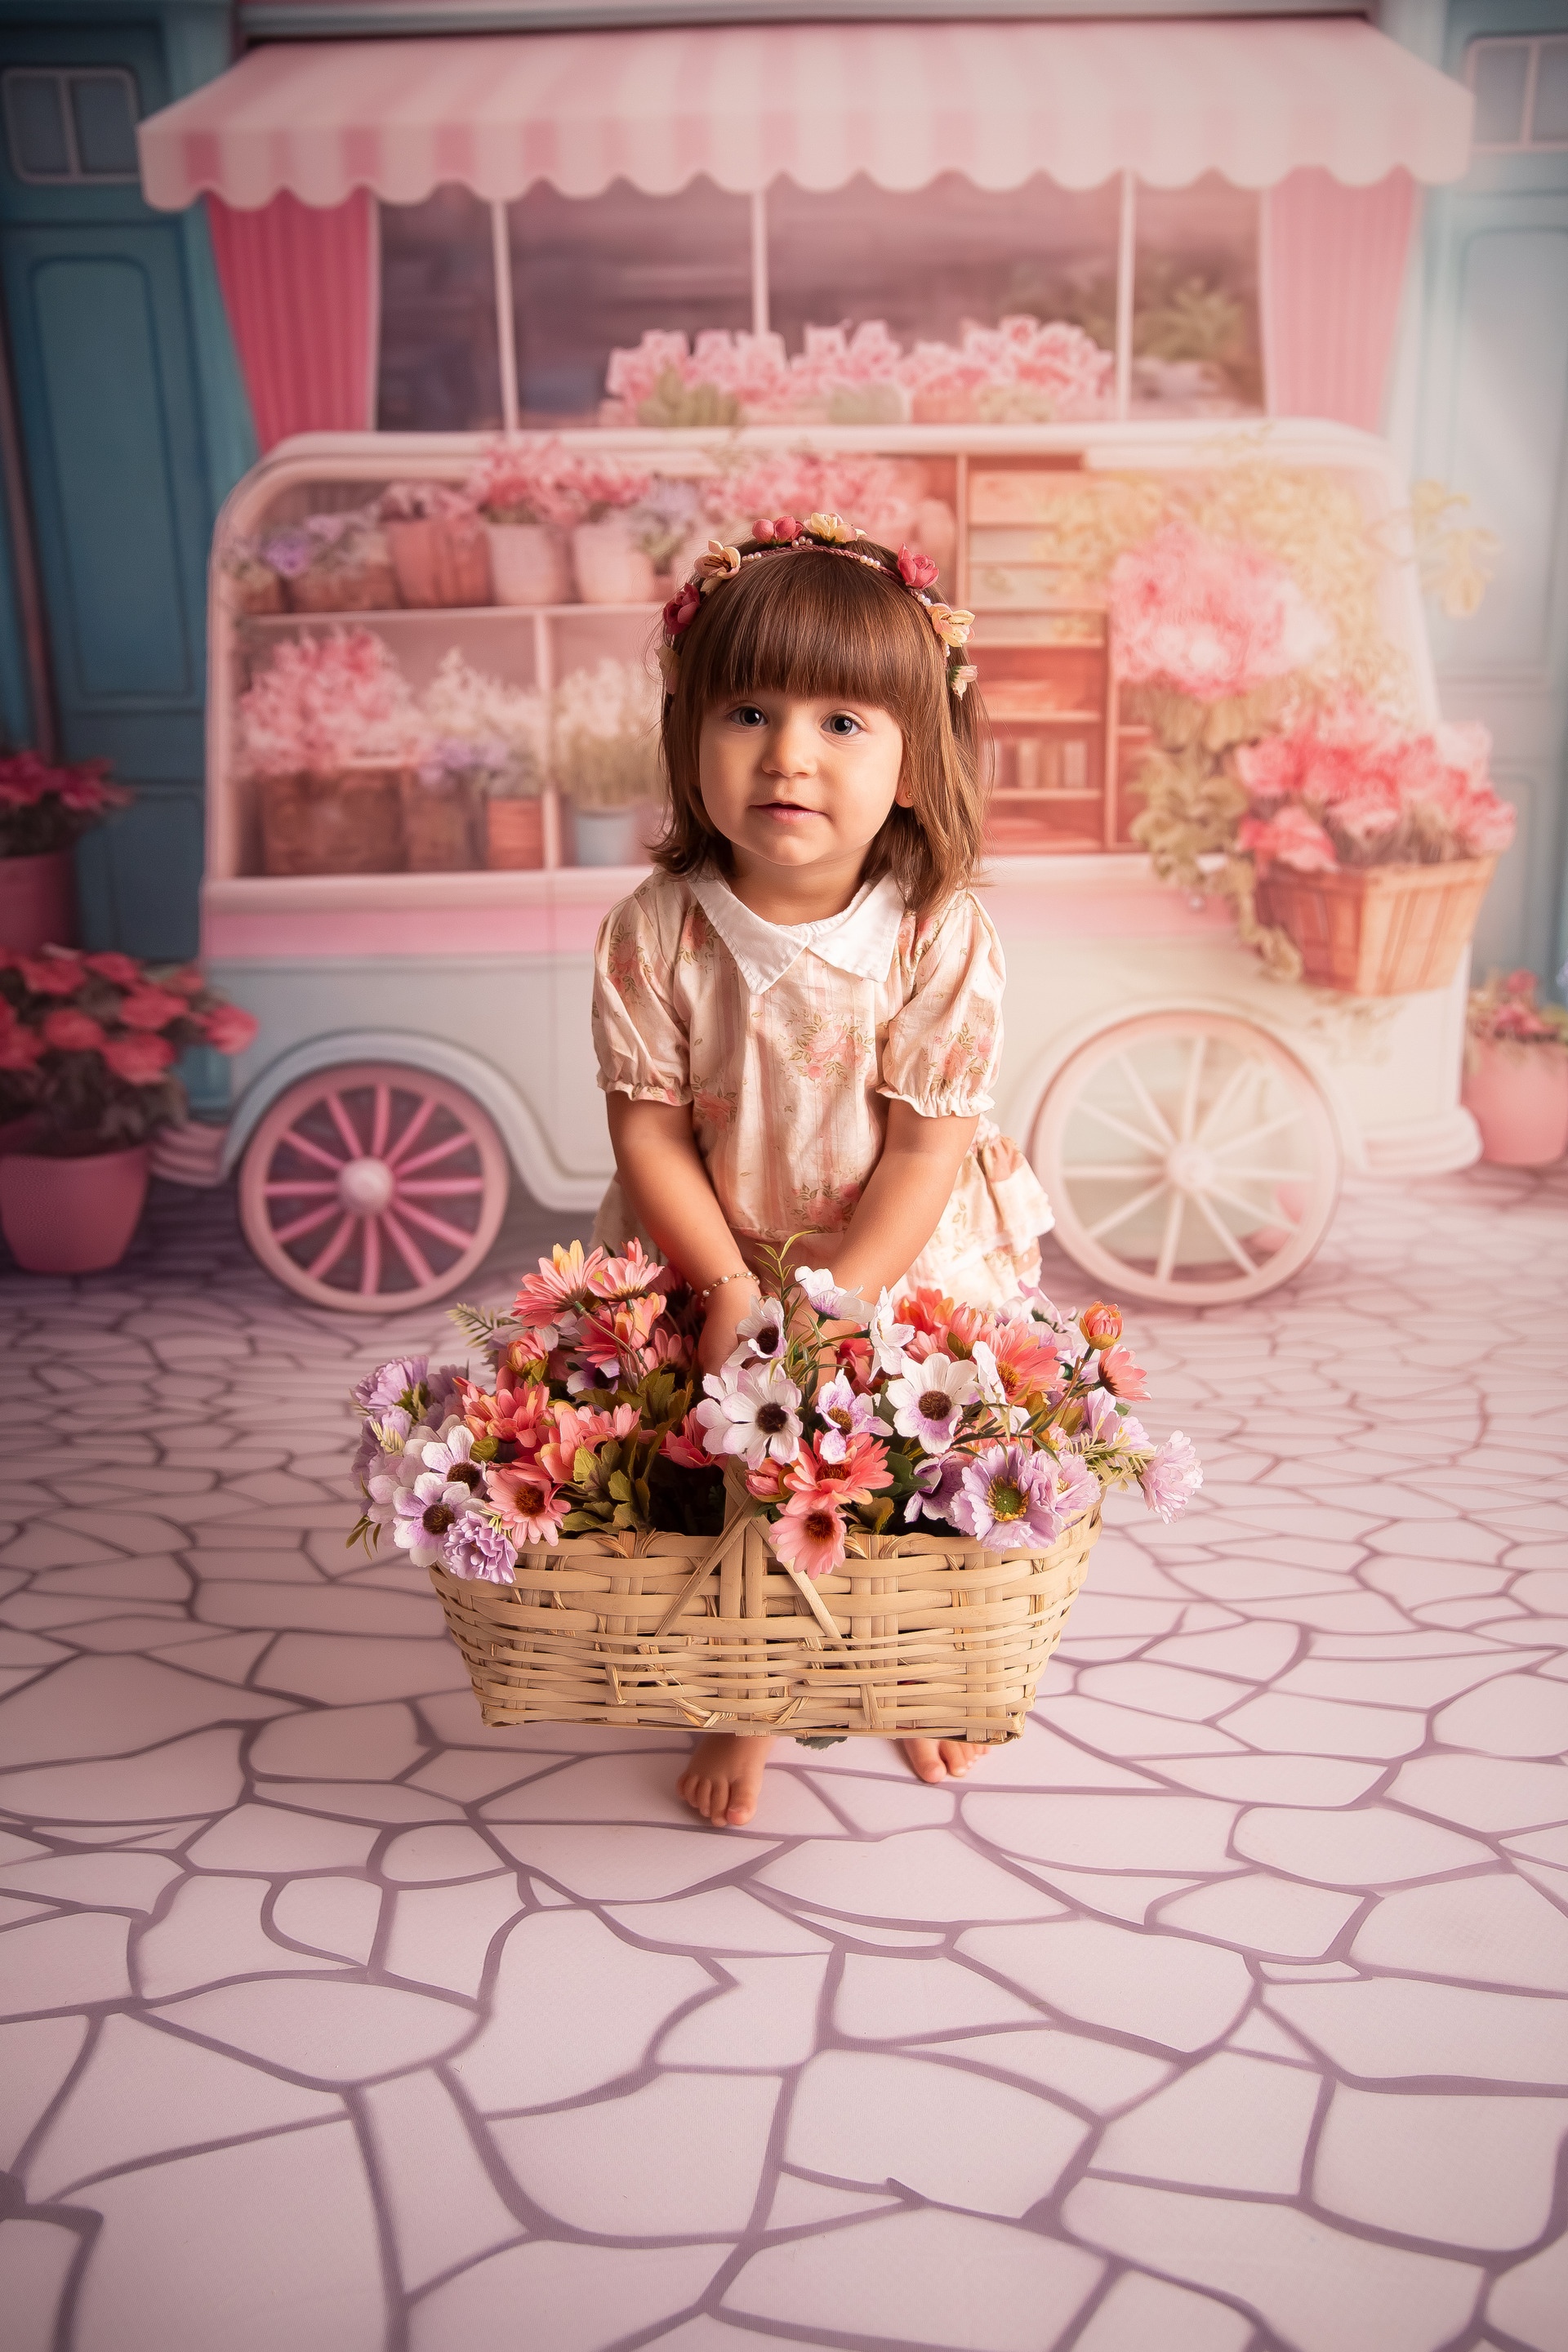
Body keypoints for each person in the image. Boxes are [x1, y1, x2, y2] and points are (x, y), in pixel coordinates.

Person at [590, 512, 1053, 1827]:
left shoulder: (936, 933)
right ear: (691, 736)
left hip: (896, 1251)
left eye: (844, 722)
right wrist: (733, 1285)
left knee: (901, 1467)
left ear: (915, 761)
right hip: (717, 1239)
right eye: (748, 711)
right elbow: (649, 1130)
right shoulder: (659, 931)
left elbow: (926, 1146)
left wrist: (839, 1299)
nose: (789, 754)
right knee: (736, 1469)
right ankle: (753, 1696)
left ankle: (905, 1668)